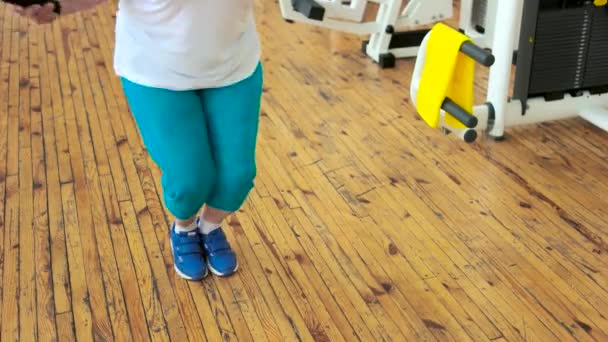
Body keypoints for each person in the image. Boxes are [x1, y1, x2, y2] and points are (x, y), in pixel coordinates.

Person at [13, 0, 264, 280]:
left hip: (233, 64)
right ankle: (184, 228)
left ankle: (210, 227)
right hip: (155, 70)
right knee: (189, 179)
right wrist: (56, 7)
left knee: (237, 177)